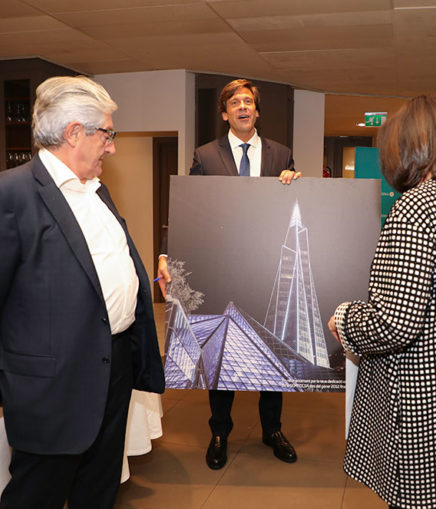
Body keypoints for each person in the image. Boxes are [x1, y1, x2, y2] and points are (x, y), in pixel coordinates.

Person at [0, 76, 165, 508]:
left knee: (99, 490)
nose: (112, 147)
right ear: (74, 133)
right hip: (51, 387)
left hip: (113, 367)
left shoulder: (97, 191)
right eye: (107, 134)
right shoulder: (8, 195)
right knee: (37, 496)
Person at [328, 94, 436, 509]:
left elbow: (394, 323)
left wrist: (344, 318)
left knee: (415, 501)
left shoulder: (417, 208)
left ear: (406, 148)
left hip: (420, 401)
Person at [156, 78, 301, 470]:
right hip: (221, 263)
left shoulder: (281, 154)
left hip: (265, 267)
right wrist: (167, 252)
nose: (242, 107)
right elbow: (188, 207)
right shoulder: (205, 155)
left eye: (248, 101)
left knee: (271, 349)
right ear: (225, 113)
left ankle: (272, 430)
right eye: (235, 102)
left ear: (257, 110)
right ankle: (220, 432)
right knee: (220, 351)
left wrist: (295, 185)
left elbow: (290, 210)